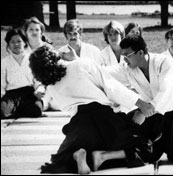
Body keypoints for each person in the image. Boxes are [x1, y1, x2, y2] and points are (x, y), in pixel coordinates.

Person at [29, 45, 153, 174]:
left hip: (80, 125)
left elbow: (64, 106)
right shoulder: (81, 64)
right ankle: (103, 156)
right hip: (105, 118)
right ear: (54, 56)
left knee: (64, 159)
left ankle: (80, 156)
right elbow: (111, 86)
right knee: (144, 147)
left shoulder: (51, 86)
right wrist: (140, 103)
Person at [105, 35, 173, 164]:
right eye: (123, 56)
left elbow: (166, 92)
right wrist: (77, 61)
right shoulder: (128, 69)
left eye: (127, 55)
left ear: (140, 53)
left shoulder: (164, 62)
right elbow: (103, 72)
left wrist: (144, 111)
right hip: (152, 115)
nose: (125, 60)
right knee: (135, 144)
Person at [1, 29, 44, 119]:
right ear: (8, 44)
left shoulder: (33, 58)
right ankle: (16, 110)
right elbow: (2, 85)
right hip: (12, 95)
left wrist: (39, 90)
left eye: (19, 41)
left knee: (36, 111)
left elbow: (38, 81)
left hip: (29, 93)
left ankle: (18, 111)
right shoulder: (4, 62)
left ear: (24, 42)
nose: (16, 44)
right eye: (12, 42)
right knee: (4, 111)